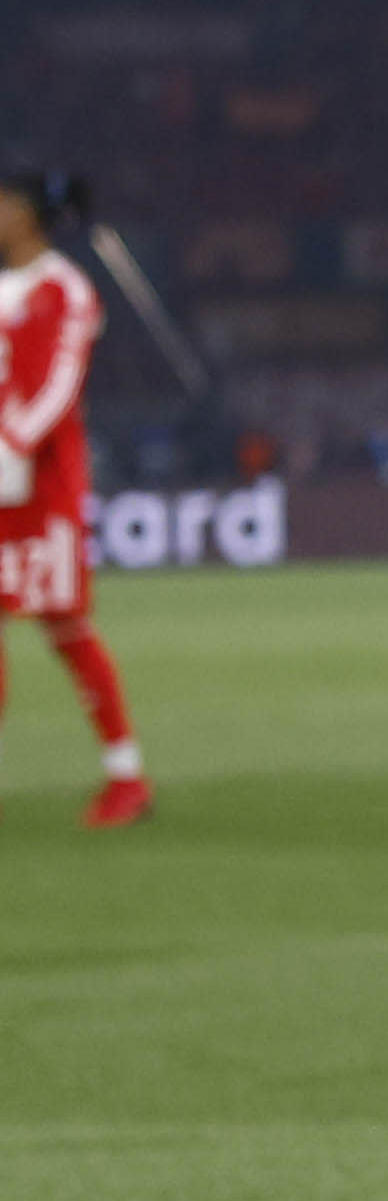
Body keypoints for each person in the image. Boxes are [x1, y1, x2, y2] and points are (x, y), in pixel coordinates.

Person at [0, 166, 150, 831]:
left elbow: (60, 385)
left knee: (65, 629)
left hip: (43, 488)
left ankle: (126, 775)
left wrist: (11, 443)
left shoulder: (66, 289)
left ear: (27, 213)